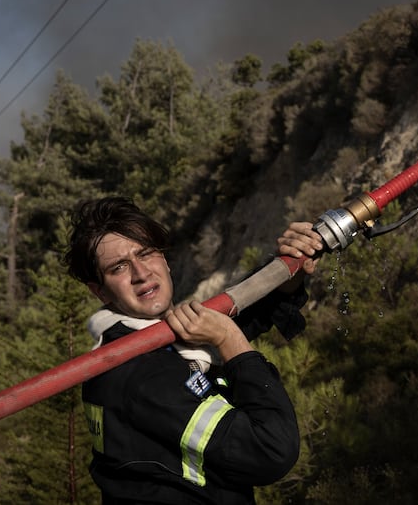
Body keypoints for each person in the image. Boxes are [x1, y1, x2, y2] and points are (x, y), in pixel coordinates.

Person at [63, 196, 324, 504]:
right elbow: (270, 450)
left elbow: (232, 319)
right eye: (119, 267)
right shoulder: (140, 374)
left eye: (145, 253)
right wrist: (229, 340)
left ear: (164, 258)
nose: (141, 273)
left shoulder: (152, 339)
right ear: (100, 290)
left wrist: (287, 272)